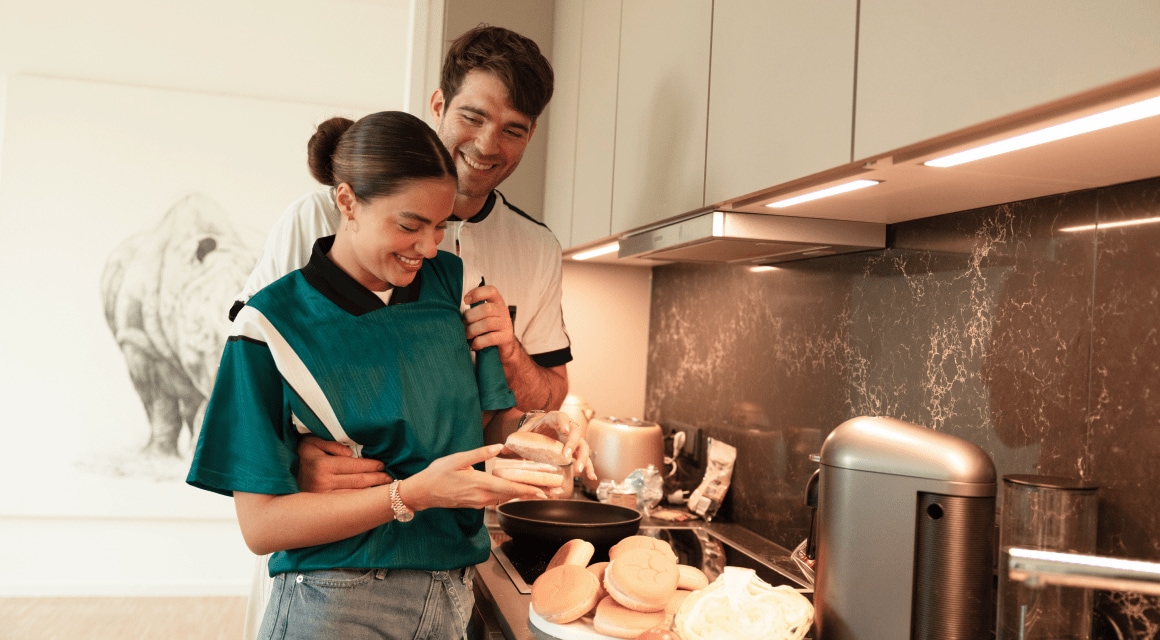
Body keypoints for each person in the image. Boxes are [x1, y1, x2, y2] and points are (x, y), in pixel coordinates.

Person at [188, 110, 581, 639]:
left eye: (440, 226)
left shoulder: (460, 288)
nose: (426, 247)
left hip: (450, 596)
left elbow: (490, 436)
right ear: (347, 201)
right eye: (409, 224)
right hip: (333, 605)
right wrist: (413, 494)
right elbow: (261, 528)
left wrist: (532, 445)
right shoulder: (268, 327)